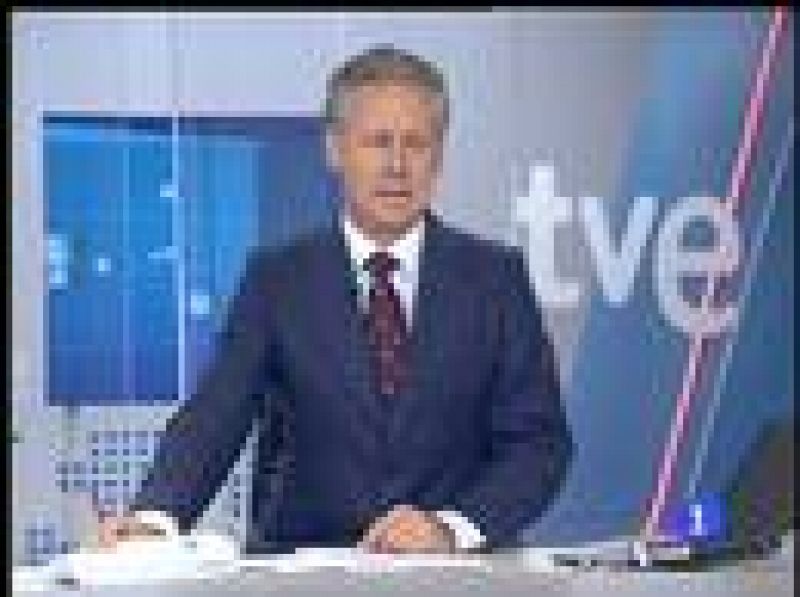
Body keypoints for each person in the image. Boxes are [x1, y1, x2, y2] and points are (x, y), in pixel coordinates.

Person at [98, 45, 574, 555]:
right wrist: (156, 518)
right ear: (335, 149)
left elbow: (538, 445)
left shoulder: (496, 280)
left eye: (416, 143)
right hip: (306, 564)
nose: (397, 165)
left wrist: (451, 528)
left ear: (439, 155)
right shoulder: (277, 279)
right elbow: (215, 417)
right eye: (378, 142)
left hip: (453, 570)